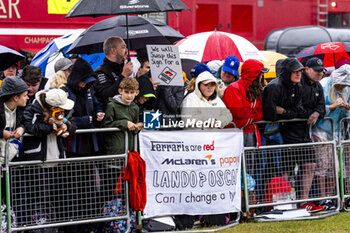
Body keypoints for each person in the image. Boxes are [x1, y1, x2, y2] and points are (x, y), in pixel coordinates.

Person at [263, 58, 323, 211]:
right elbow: (270, 112)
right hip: (280, 134)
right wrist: (287, 112)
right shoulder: (275, 86)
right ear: (287, 72)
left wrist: (285, 111)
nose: (298, 74)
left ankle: (303, 203)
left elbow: (302, 109)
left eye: (299, 71)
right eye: (295, 71)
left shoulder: (302, 86)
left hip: (302, 134)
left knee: (310, 165)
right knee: (285, 169)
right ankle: (283, 204)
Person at [222, 59, 267, 201]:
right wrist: (252, 114)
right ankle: (237, 204)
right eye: (260, 74)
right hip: (236, 136)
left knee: (250, 171)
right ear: (254, 75)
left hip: (251, 134)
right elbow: (239, 113)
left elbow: (260, 113)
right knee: (237, 170)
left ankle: (249, 204)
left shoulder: (255, 90)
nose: (262, 77)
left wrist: (250, 114)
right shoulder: (234, 88)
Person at [313, 64, 350, 206]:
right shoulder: (322, 86)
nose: (343, 87)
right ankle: (323, 199)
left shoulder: (346, 89)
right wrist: (332, 107)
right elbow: (316, 109)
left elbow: (345, 114)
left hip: (336, 131)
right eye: (342, 84)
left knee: (335, 167)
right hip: (320, 130)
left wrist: (347, 109)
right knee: (323, 166)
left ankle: (332, 197)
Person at [60, 57, 104, 157]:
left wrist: (99, 113)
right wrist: (82, 121)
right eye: (83, 80)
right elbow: (61, 117)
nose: (85, 83)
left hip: (90, 139)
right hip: (72, 141)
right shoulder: (64, 90)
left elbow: (96, 105)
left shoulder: (89, 89)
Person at [19, 89, 76, 161]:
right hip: (37, 156)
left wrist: (66, 127)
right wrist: (50, 127)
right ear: (54, 107)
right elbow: (28, 127)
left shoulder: (64, 110)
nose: (63, 109)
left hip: (58, 154)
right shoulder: (33, 108)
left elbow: (73, 124)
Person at [102, 78, 142, 155]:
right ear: (120, 91)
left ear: (137, 93)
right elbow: (105, 125)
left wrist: (137, 127)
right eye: (126, 92)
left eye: (132, 92)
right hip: (114, 150)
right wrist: (124, 123)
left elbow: (134, 130)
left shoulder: (135, 107)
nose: (129, 95)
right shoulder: (112, 105)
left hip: (130, 151)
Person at [94, 36, 133, 110]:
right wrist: (123, 75)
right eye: (123, 47)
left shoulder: (121, 68)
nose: (126, 51)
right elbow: (107, 96)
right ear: (113, 51)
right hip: (109, 117)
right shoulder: (100, 71)